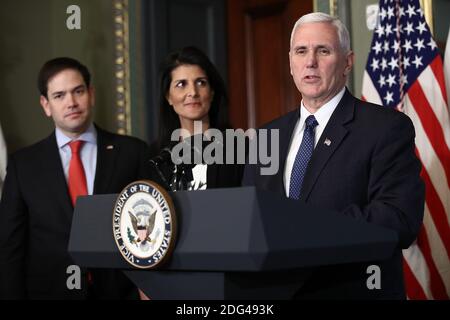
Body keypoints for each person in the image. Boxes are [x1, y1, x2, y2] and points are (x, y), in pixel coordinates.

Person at [242, 12, 425, 299]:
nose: (310, 61)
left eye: (323, 50)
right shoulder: (265, 136)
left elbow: (399, 219)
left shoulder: (386, 128)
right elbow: (248, 221)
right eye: (301, 51)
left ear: (347, 62)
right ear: (291, 62)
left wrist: (309, 228)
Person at [0, 57, 151, 299]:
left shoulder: (133, 152)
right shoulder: (23, 165)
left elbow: (151, 231)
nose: (71, 102)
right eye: (59, 96)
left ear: (91, 94)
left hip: (120, 292)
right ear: (45, 104)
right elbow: (10, 248)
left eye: (78, 91)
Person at [149, 46, 243, 191]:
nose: (193, 92)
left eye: (201, 82)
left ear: (212, 93)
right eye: (181, 84)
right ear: (168, 97)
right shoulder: (155, 157)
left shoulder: (239, 148)